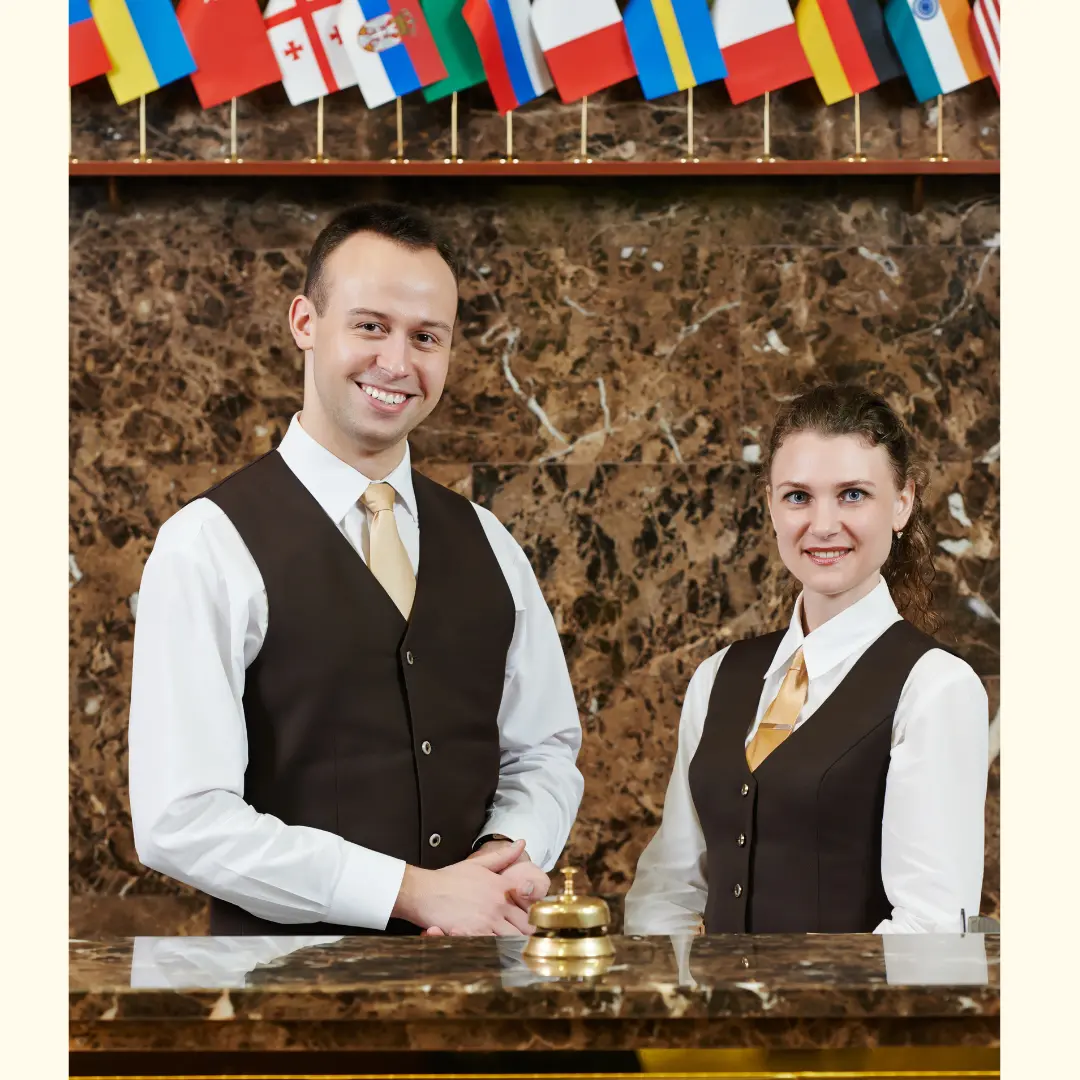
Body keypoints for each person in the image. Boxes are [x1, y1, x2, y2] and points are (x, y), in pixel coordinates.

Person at [128, 203, 584, 937]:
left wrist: (500, 860)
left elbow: (544, 749)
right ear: (306, 322)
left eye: (426, 337)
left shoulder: (490, 543)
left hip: (483, 996)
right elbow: (181, 819)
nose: (398, 364)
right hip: (283, 1009)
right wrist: (408, 891)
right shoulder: (205, 545)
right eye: (371, 325)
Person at [624, 384, 988, 935]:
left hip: (850, 1020)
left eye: (852, 495)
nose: (822, 525)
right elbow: (669, 890)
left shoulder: (935, 688)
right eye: (798, 496)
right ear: (770, 504)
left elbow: (932, 930)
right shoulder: (717, 677)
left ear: (903, 503)